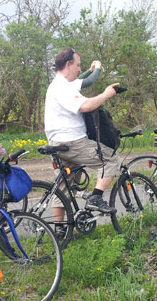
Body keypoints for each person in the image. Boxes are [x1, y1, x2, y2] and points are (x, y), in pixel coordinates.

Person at [44, 47, 120, 215]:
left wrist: (91, 70)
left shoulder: (61, 85)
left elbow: (82, 80)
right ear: (68, 65)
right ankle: (96, 197)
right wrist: (106, 94)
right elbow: (86, 106)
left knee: (63, 189)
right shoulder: (62, 87)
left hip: (58, 143)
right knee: (112, 159)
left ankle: (60, 227)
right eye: (78, 65)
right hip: (72, 142)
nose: (79, 69)